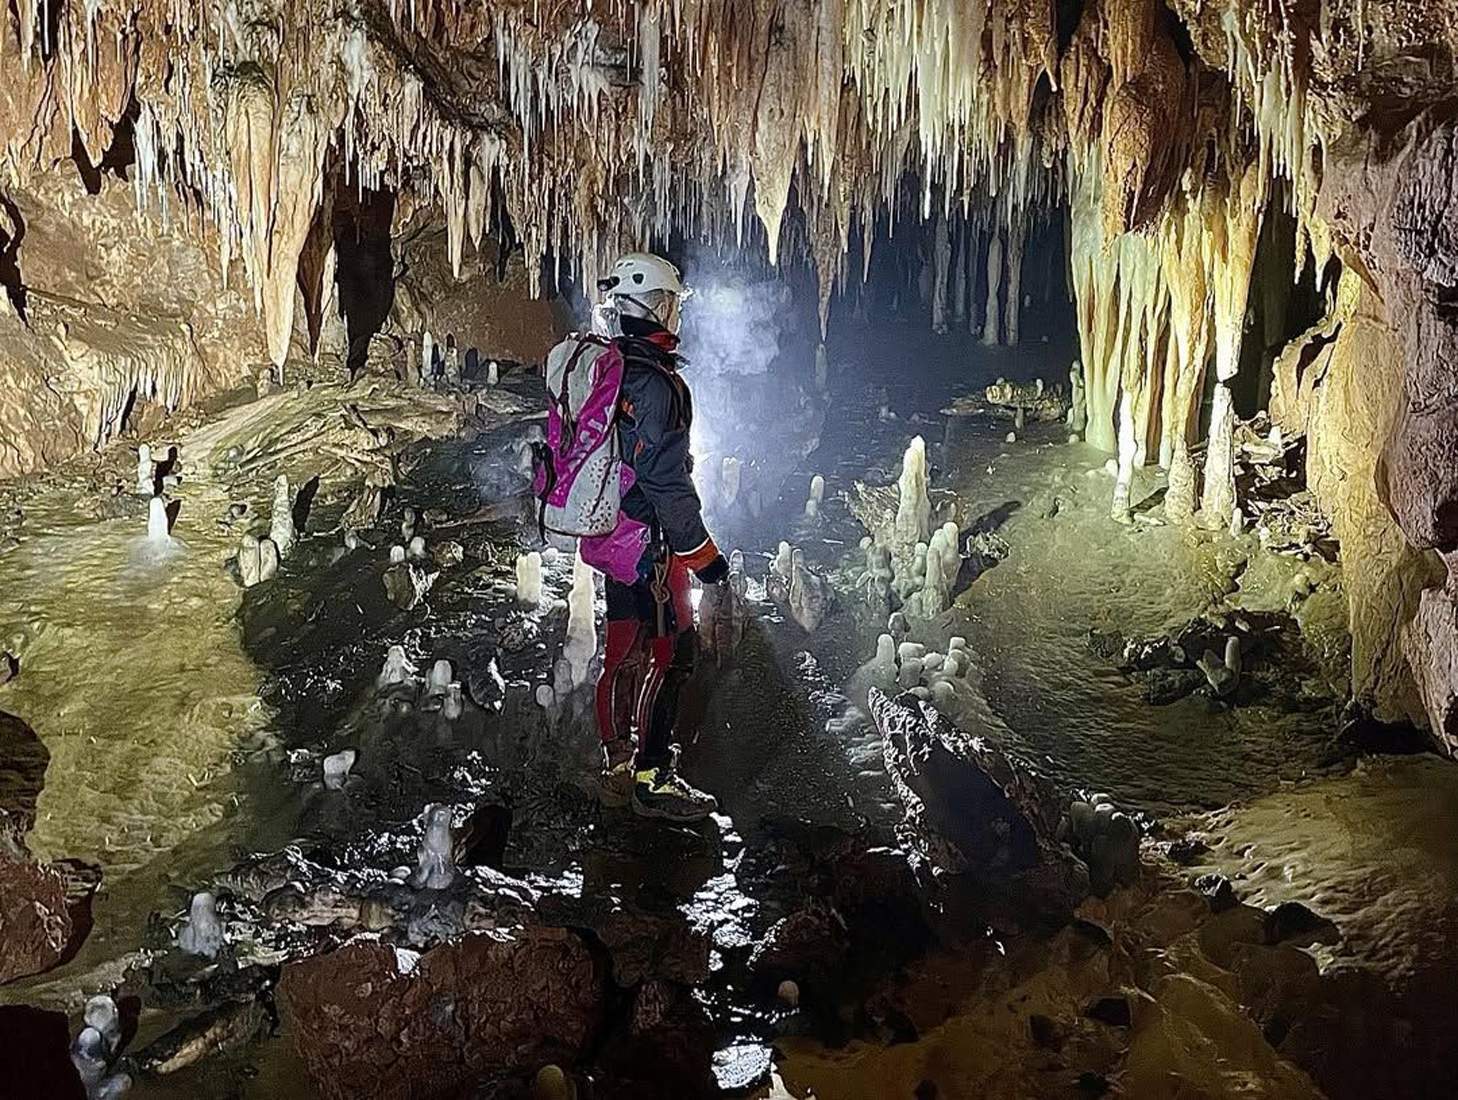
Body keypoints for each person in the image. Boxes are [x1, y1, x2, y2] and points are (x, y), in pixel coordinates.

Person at [577, 252, 729, 822]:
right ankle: (653, 777)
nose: (674, 313)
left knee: (619, 649)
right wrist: (704, 557)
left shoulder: (609, 368)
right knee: (673, 654)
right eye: (670, 302)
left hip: (608, 535)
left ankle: (615, 765)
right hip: (652, 545)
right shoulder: (659, 385)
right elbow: (667, 481)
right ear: (656, 307)